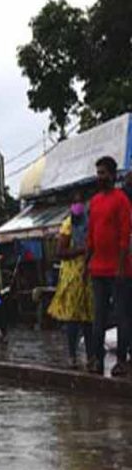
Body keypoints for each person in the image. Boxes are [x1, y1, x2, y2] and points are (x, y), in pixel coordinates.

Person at [87, 156, 132, 376]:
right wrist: (87, 260)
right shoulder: (94, 202)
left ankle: (122, 360)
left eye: (103, 173)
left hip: (119, 269)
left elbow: (125, 235)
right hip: (98, 268)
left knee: (122, 315)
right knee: (99, 316)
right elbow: (91, 235)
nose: (100, 177)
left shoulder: (121, 199)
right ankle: (96, 359)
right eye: (98, 173)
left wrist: (122, 266)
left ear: (113, 175)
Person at [47, 195, 94, 369]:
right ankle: (73, 356)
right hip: (72, 276)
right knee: (73, 319)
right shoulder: (68, 225)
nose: (78, 206)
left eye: (81, 202)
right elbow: (60, 251)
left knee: (89, 319)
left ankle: (91, 356)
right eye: (75, 203)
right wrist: (81, 250)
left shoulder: (90, 223)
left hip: (88, 275)